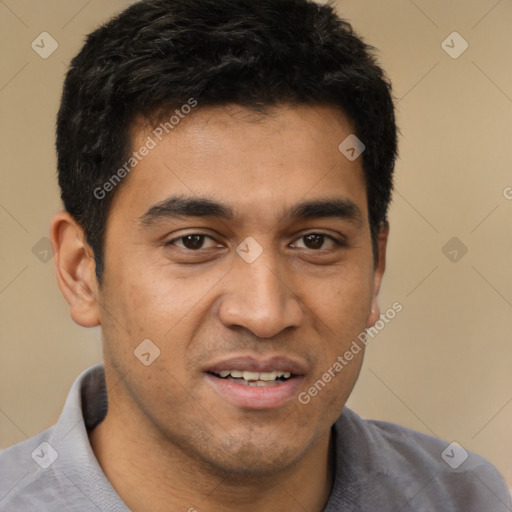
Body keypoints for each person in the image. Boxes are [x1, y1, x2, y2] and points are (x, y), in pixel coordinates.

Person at [0, 0, 510, 510]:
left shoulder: (466, 497)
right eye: (195, 241)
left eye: (315, 241)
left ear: (375, 266)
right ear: (81, 271)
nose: (265, 313)